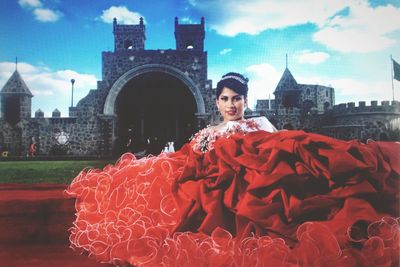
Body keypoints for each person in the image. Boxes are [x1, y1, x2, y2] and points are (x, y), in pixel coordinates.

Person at [65, 72, 399, 266]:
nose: (231, 105)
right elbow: (184, 158)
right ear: (217, 102)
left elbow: (286, 148)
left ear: (245, 99)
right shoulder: (209, 133)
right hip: (228, 190)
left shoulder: (261, 122)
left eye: (236, 98)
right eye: (225, 99)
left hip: (264, 181)